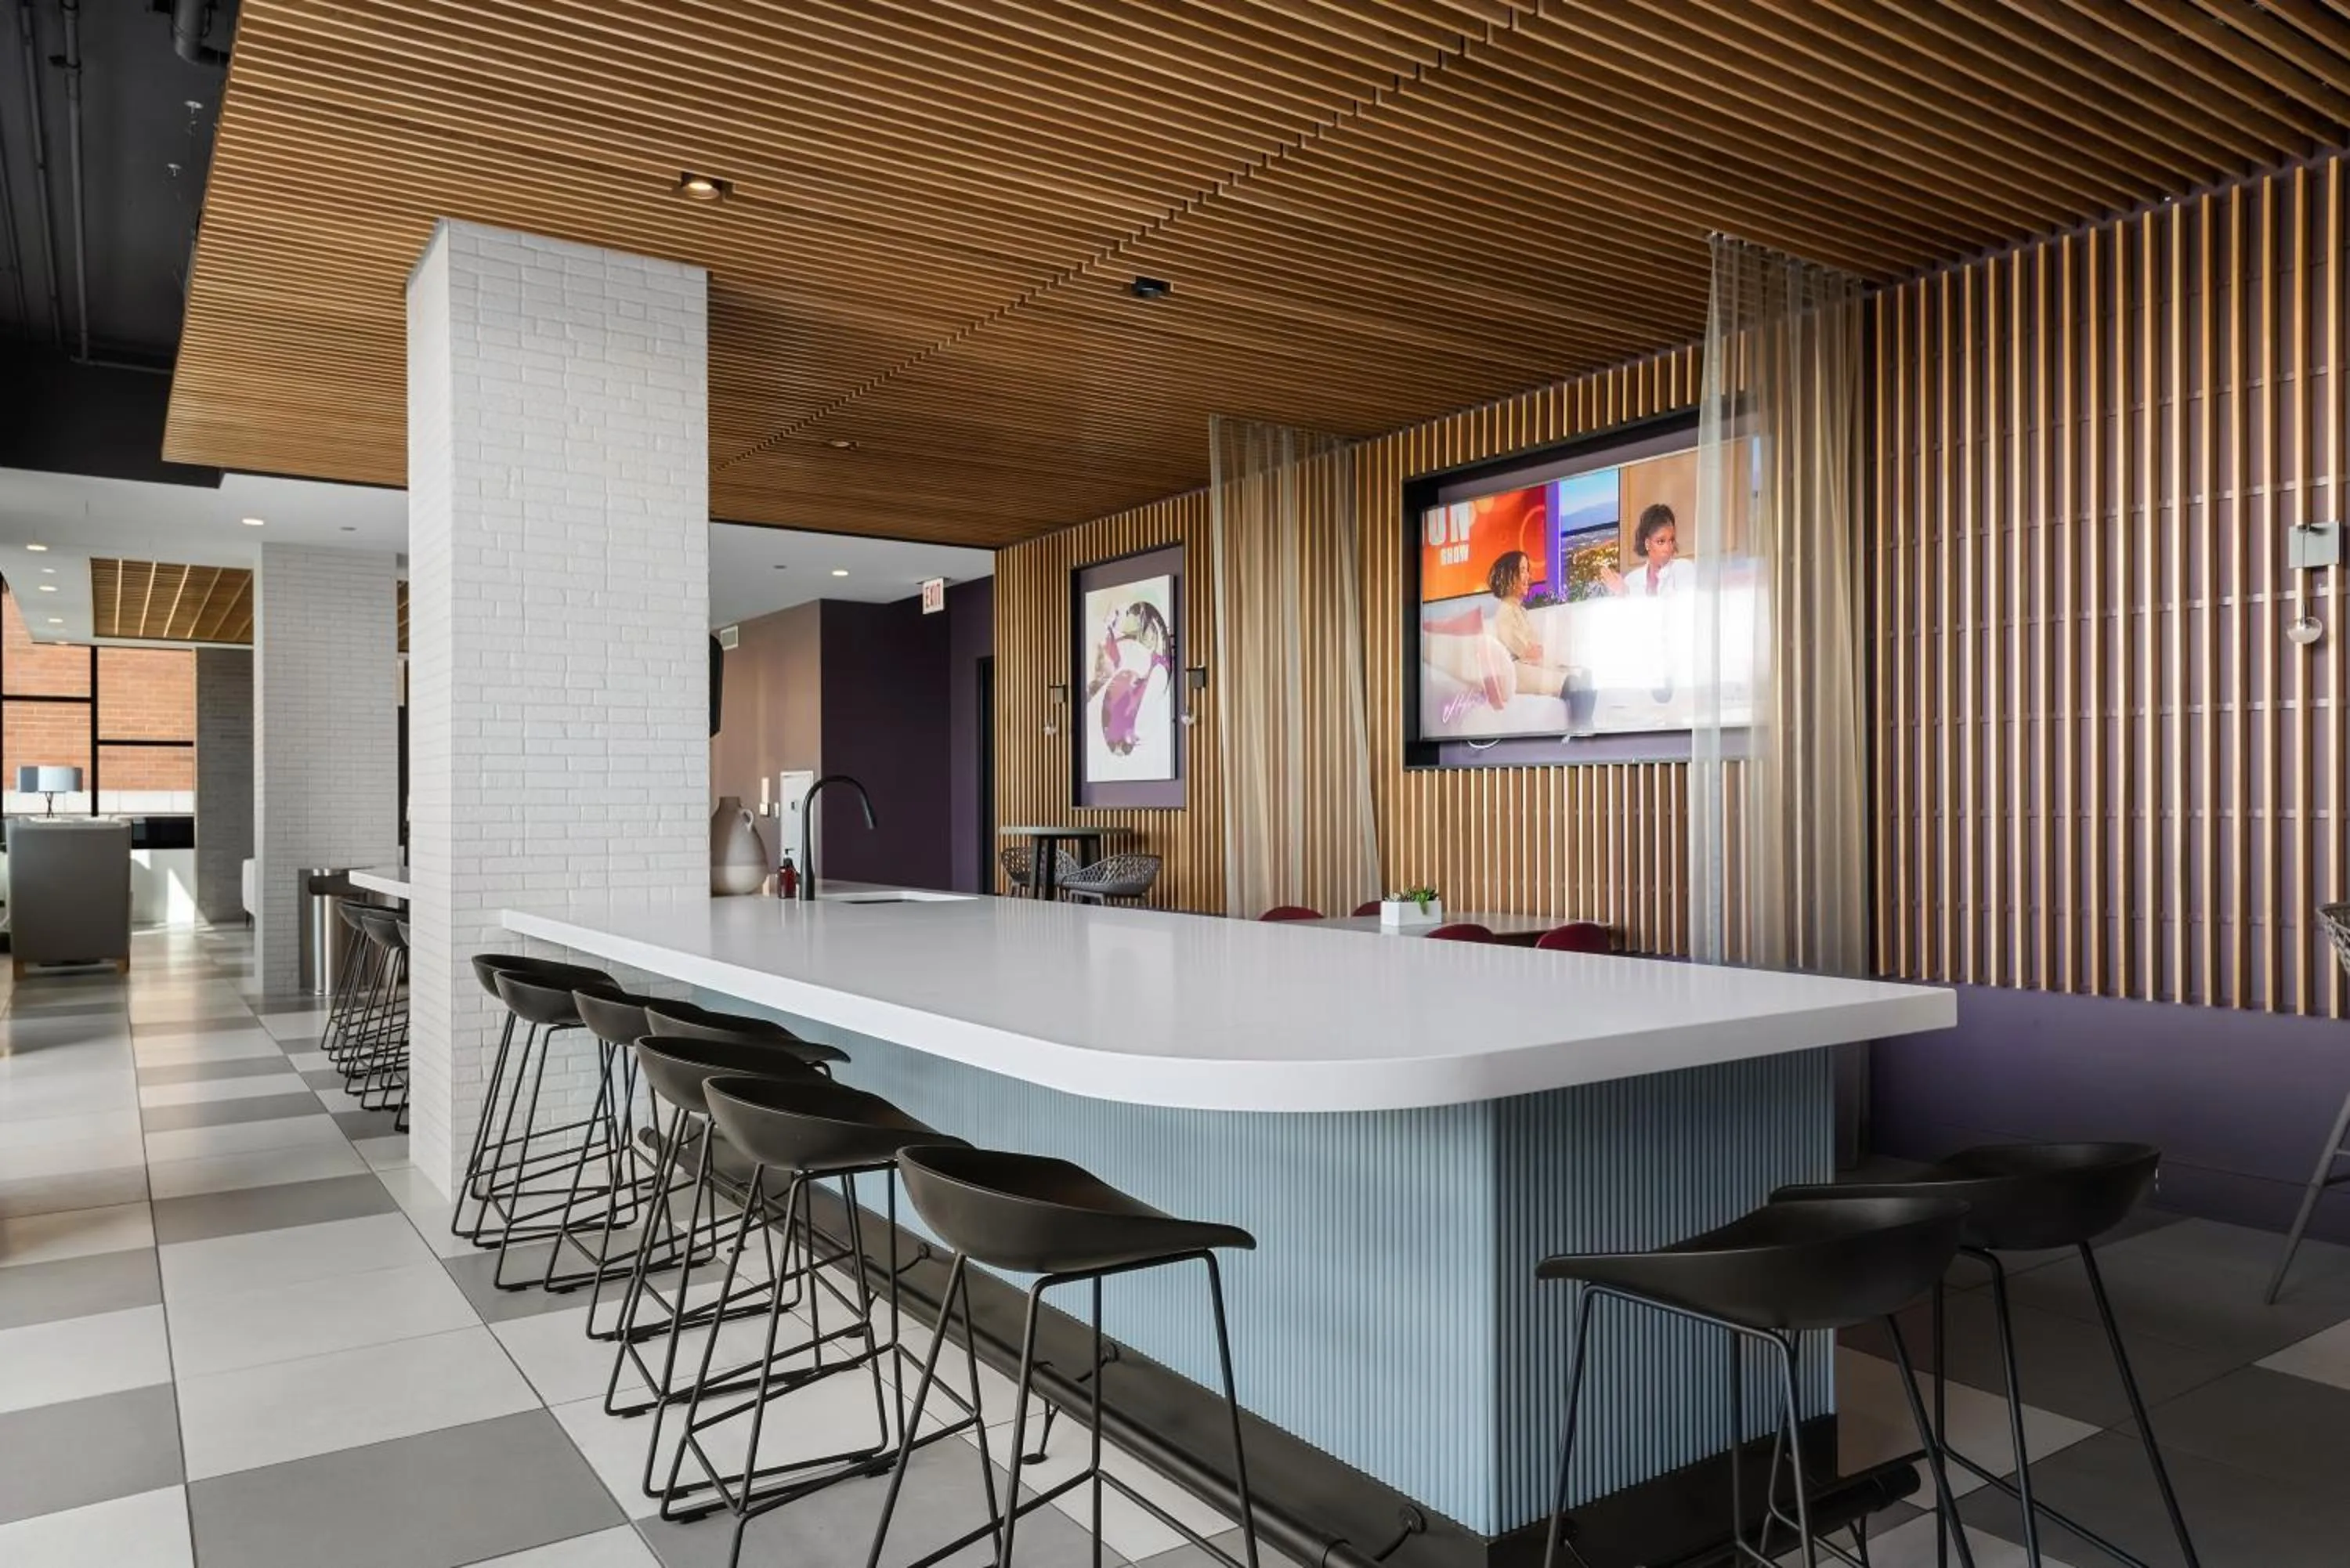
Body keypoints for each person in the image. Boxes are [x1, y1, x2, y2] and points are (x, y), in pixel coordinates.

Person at [1484, 550, 1573, 700]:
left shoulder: (1520, 611)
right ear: (1508, 576)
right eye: (1522, 570)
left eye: (1527, 570)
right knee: (1571, 683)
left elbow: (1535, 649)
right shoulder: (1505, 611)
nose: (1528, 577)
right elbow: (1526, 651)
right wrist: (1533, 651)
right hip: (1518, 673)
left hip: (1529, 667)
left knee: (1578, 676)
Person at [1600, 504, 1691, 598]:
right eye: (1661, 542)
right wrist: (1622, 593)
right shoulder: (1631, 580)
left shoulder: (1683, 569)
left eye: (1671, 540)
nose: (1668, 548)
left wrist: (1628, 593)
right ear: (1647, 543)